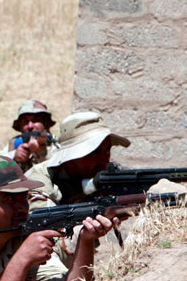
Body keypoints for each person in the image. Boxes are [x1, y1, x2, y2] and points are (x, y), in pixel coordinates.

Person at [26, 111, 131, 267]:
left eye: (107, 150)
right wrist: (87, 232)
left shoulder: (104, 173)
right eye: (94, 153)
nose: (104, 160)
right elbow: (45, 251)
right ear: (71, 156)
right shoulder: (40, 182)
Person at [0, 99, 58, 172]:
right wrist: (14, 158)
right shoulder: (17, 143)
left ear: (45, 123)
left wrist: (41, 153)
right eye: (25, 122)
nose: (30, 126)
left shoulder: (56, 145)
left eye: (35, 120)